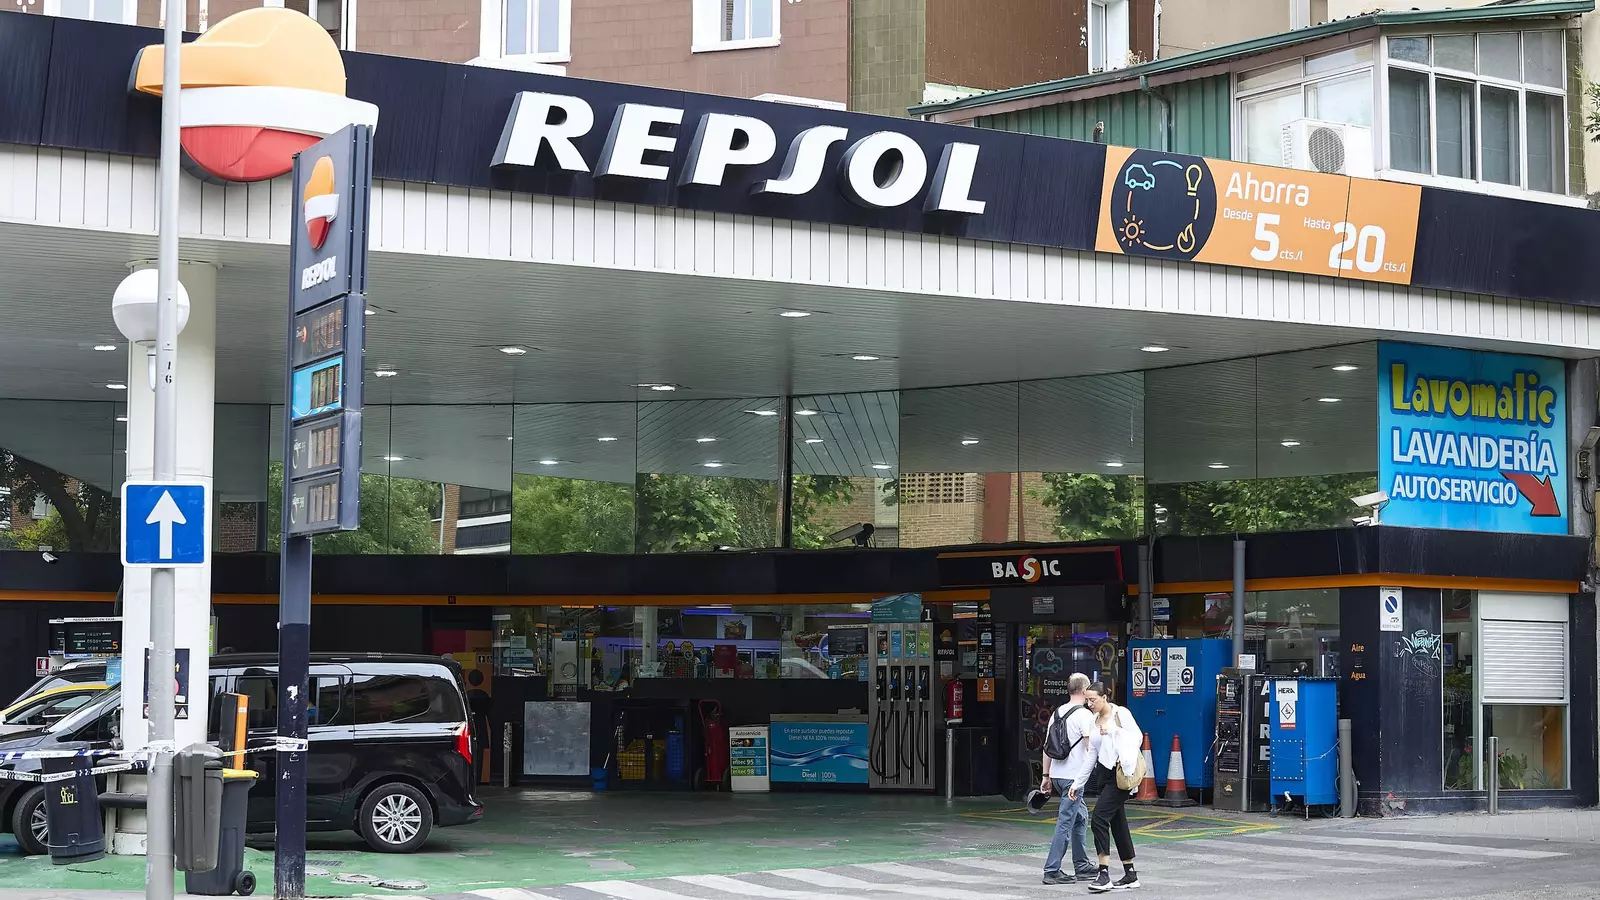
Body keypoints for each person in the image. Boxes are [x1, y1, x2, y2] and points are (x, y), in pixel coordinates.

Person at [1040, 673, 1099, 884]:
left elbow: (1047, 748)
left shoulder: (1057, 713)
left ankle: (1082, 865)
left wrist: (1046, 776)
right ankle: (1052, 870)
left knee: (1080, 817)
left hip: (1058, 775)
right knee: (1065, 823)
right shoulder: (1084, 716)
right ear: (1084, 691)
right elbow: (1090, 748)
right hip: (1074, 779)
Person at [1084, 681, 1141, 892]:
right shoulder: (1093, 720)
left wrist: (1112, 732)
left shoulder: (1120, 714)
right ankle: (1130, 873)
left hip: (1120, 774)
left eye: (1093, 700)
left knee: (1098, 819)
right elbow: (1092, 754)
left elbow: (1136, 738)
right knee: (1118, 823)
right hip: (1104, 775)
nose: (1090, 704)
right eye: (1087, 700)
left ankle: (1104, 873)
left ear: (1104, 697)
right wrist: (1078, 783)